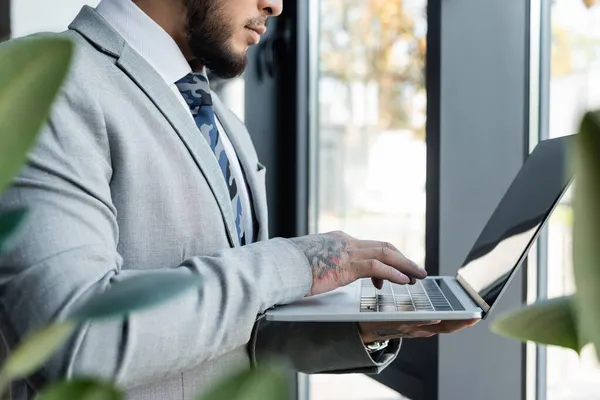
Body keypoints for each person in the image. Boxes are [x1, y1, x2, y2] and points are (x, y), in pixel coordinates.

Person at [0, 0, 477, 398]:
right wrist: (295, 262)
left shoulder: (220, 121)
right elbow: (74, 342)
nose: (276, 4)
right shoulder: (44, 82)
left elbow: (234, 331)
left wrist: (363, 328)